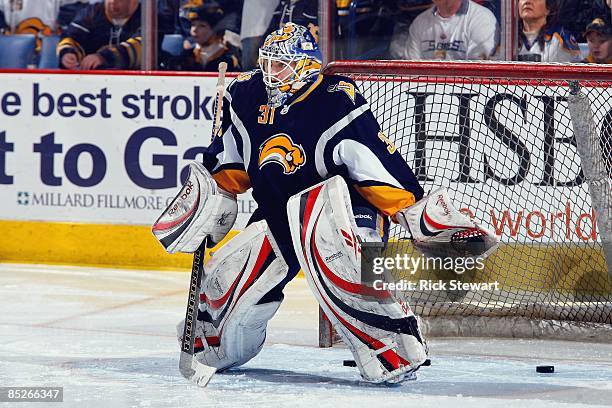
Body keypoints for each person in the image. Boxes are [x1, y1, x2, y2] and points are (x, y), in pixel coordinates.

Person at [392, 0, 498, 60]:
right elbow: (411, 69)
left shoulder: (482, 19)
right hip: (425, 92)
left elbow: (478, 70)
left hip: (467, 94)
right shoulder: (420, 22)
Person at [57, 0, 141, 70]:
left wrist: (104, 57)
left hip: (135, 83)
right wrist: (68, 53)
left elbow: (141, 46)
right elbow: (72, 36)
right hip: (93, 83)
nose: (112, 1)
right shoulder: (92, 12)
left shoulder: (147, 16)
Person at [172, 3, 241, 71]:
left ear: (215, 30)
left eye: (202, 26)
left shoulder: (230, 59)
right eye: (193, 25)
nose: (194, 30)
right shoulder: (186, 57)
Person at [517, 0, 581, 62]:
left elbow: (579, 70)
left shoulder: (562, 37)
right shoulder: (509, 39)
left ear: (548, 8)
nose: (527, 1)